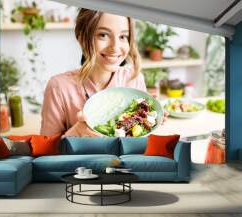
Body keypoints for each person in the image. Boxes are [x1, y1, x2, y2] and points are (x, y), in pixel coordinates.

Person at [40, 8, 165, 137]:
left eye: (123, 36)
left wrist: (150, 120)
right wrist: (76, 132)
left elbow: (141, 140)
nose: (115, 47)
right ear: (82, 38)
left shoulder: (134, 78)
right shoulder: (59, 87)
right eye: (103, 35)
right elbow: (45, 150)